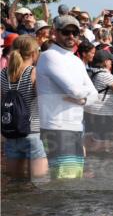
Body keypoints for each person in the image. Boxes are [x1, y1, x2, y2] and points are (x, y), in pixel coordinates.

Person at [34, 15, 98, 178]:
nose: (71, 36)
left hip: (76, 126)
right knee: (64, 182)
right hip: (56, 127)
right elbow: (73, 90)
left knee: (74, 180)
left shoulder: (76, 61)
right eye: (66, 32)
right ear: (55, 33)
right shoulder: (49, 56)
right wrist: (82, 95)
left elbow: (95, 95)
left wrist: (82, 100)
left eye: (74, 33)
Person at [1, 35, 48, 179]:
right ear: (34, 53)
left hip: (10, 134)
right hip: (32, 133)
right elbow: (43, 102)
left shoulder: (3, 74)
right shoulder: (34, 72)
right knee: (40, 185)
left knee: (16, 184)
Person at [83, 49, 113, 153]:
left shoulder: (90, 72)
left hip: (90, 112)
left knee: (91, 140)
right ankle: (101, 162)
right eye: (110, 60)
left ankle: (90, 163)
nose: (111, 63)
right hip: (103, 113)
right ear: (105, 62)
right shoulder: (105, 75)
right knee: (104, 143)